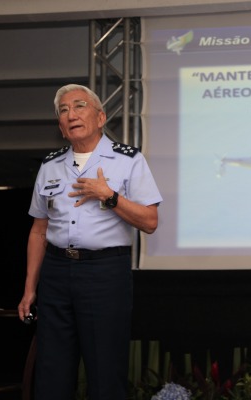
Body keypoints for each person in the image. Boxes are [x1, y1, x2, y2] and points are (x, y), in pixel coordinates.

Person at [18, 83, 162, 400]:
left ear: (100, 117)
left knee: (105, 371)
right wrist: (30, 288)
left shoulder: (128, 160)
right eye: (64, 111)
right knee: (51, 371)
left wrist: (108, 196)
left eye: (79, 106)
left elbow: (150, 222)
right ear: (60, 126)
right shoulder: (49, 165)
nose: (71, 114)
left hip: (104, 272)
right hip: (56, 273)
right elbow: (38, 230)